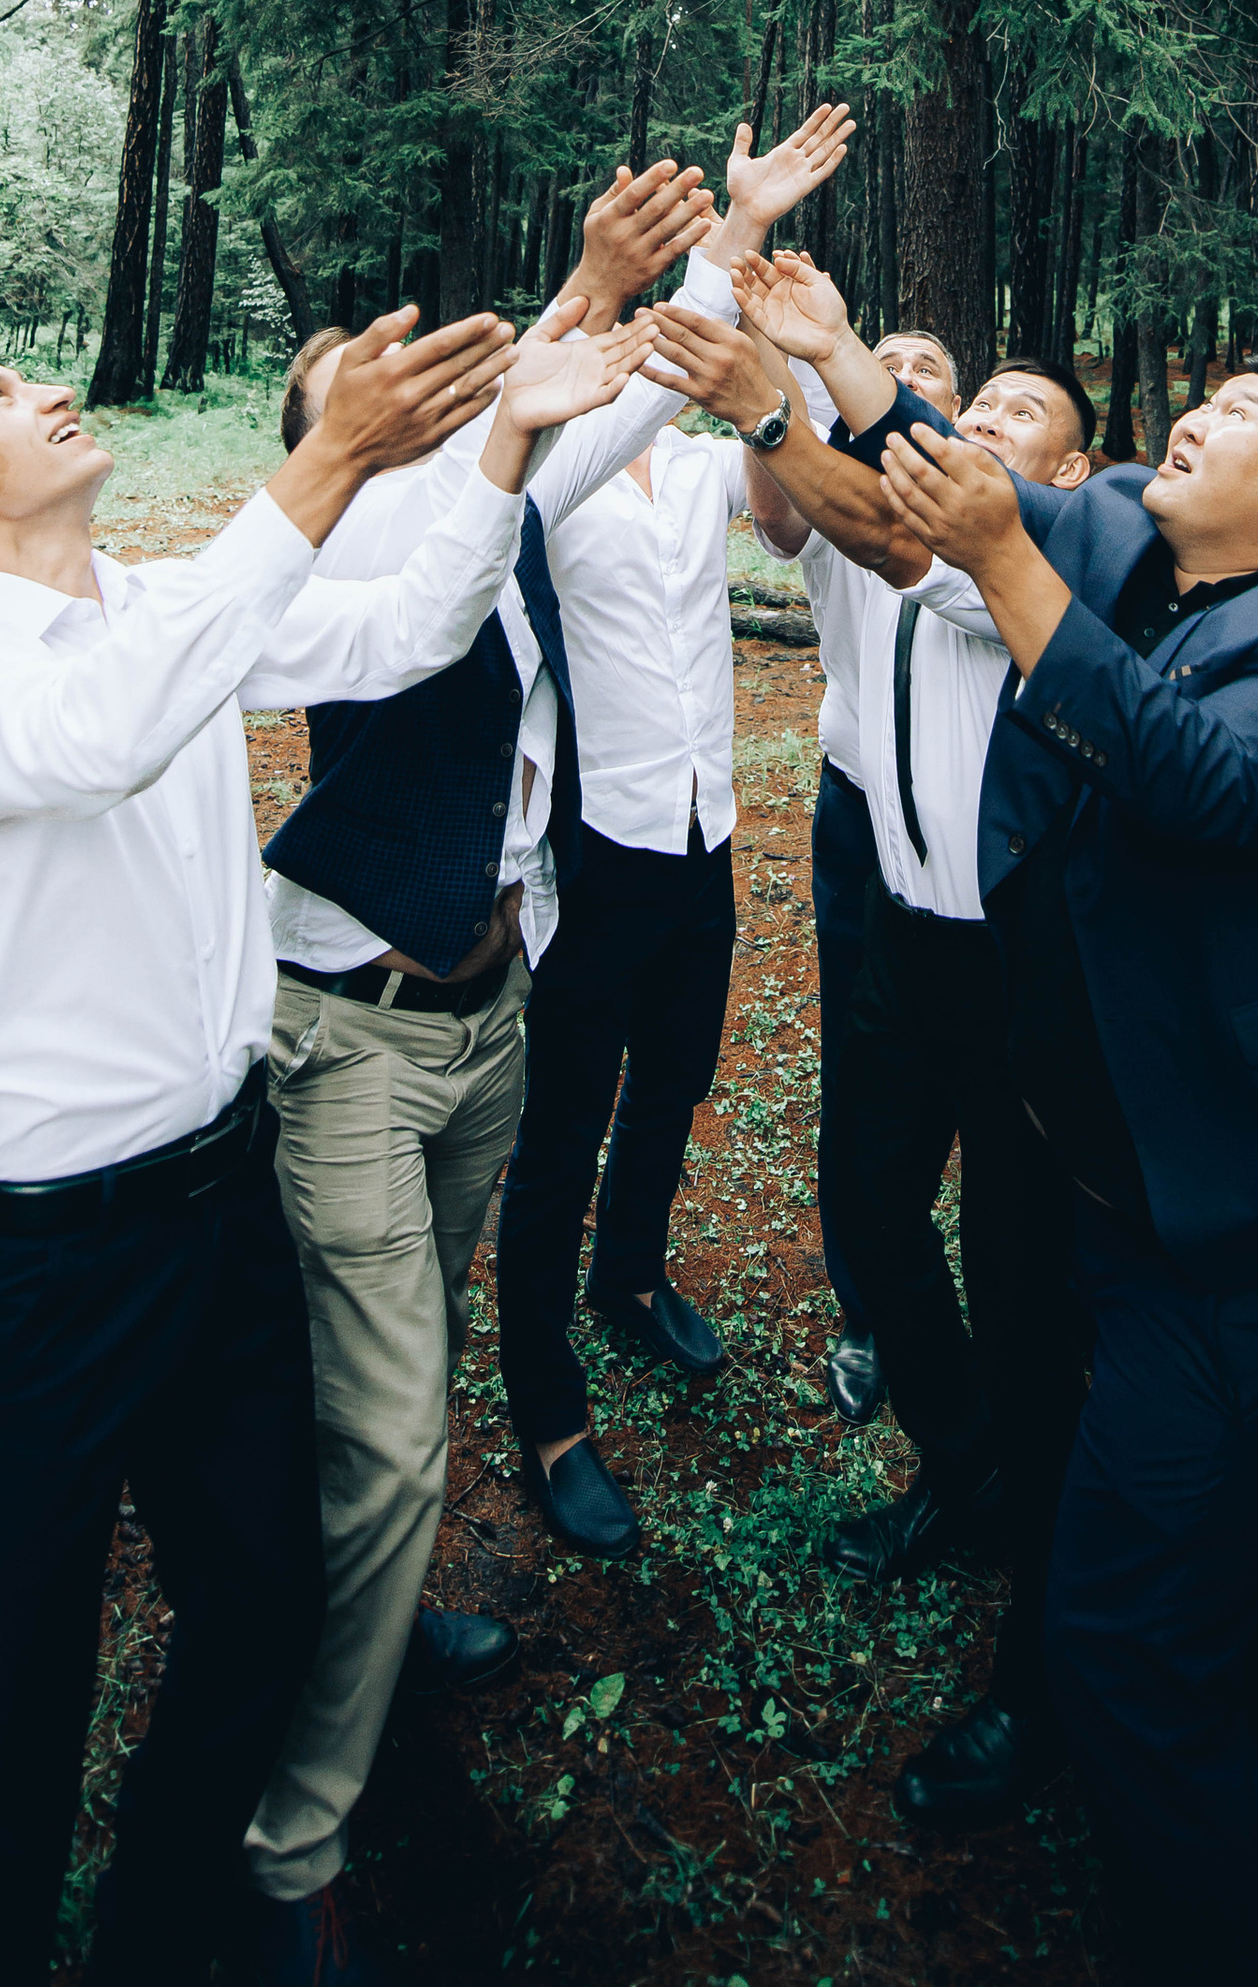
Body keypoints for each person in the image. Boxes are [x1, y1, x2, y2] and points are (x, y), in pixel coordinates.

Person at [0, 295, 649, 1987]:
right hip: (46, 1260)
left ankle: (176, 1925)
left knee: (267, 1601)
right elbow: (113, 729)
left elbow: (408, 631)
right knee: (8, 1698)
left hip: (222, 1214)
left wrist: (502, 438)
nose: (48, 383)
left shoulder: (158, 603)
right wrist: (337, 452)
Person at [233, 129, 836, 1977]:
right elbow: (456, 515)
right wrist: (581, 290)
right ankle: (293, 1835)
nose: (433, 394)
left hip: (493, 1008)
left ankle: (369, 1589)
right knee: (392, 1424)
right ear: (319, 445)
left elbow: (611, 417)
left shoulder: (497, 508)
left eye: (438, 374)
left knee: (384, 1370)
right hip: (352, 1029)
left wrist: (724, 252)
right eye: (376, 387)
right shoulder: (351, 558)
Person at [835, 344, 1258, 1986]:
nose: (1195, 415)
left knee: (1123, 1645)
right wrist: (821, 352)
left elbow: (1201, 781)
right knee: (1239, 1590)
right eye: (1203, 400)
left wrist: (999, 559)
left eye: (1246, 419)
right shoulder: (1132, 542)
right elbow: (970, 479)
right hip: (1128, 1210)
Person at [647, 287, 1103, 1831]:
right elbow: (835, 516)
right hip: (893, 925)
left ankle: (1045, 1662)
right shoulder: (863, 524)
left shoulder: (1028, 556)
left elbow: (926, 543)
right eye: (945, 397)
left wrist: (804, 382)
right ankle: (967, 1469)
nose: (969, 419)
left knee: (1034, 1297)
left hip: (1020, 966)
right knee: (867, 1212)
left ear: (1075, 472)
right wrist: (782, 367)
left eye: (1010, 410)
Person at [494, 108, 856, 1558]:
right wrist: (729, 235)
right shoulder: (538, 471)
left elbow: (780, 520)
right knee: (559, 1125)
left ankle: (630, 1280)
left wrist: (767, 385)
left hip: (704, 827)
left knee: (676, 1078)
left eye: (661, 333)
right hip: (593, 836)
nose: (647, 349)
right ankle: (545, 1403)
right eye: (625, 332)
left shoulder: (697, 467)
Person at [801, 322, 965, 1430]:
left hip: (981, 847)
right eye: (885, 361)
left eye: (929, 371)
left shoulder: (1001, 522)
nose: (903, 379)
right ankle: (869, 1311)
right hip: (858, 817)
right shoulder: (828, 488)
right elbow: (777, 509)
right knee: (861, 1064)